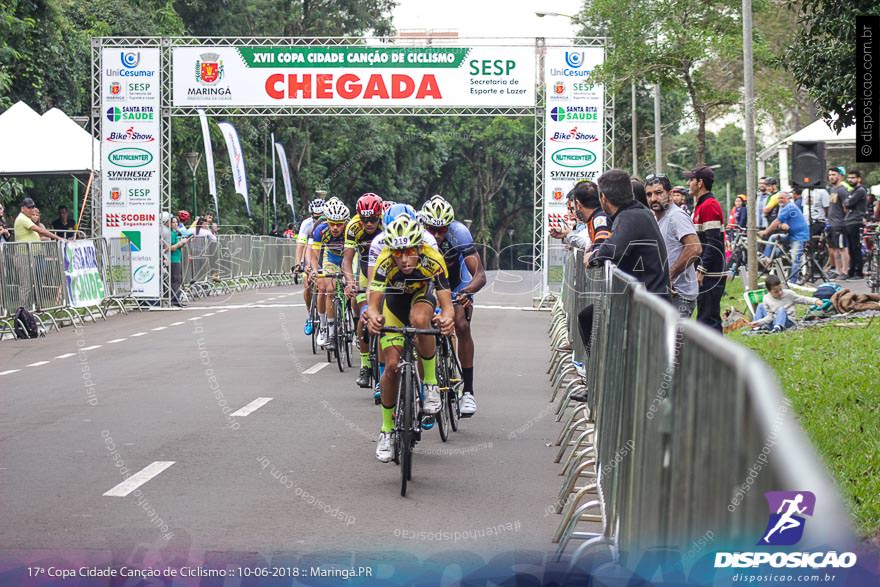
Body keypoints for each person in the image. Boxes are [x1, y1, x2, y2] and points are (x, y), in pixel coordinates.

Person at [364, 215, 455, 462]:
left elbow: (447, 305)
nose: (404, 259)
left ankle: (430, 383)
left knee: (419, 320)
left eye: (409, 252)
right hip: (393, 303)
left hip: (421, 298)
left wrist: (446, 318)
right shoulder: (385, 261)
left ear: (419, 247)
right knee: (391, 366)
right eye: (398, 253)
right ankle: (386, 429)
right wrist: (372, 316)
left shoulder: (432, 259)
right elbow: (373, 304)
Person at [420, 195, 487, 416]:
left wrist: (467, 293)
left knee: (461, 324)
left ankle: (468, 391)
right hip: (430, 282)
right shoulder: (417, 236)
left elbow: (479, 274)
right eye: (432, 229)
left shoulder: (459, 234)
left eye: (442, 229)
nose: (438, 235)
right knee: (421, 326)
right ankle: (426, 386)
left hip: (458, 282)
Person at [588, 168, 670, 296]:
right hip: (646, 299)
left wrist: (592, 257)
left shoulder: (631, 216)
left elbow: (610, 250)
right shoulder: (638, 212)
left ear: (603, 197)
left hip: (649, 304)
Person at [342, 193, 384, 388]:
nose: (369, 224)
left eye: (373, 219)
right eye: (365, 219)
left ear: (380, 216)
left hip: (386, 269)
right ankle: (366, 365)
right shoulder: (353, 226)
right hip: (364, 270)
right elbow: (347, 260)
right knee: (364, 314)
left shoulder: (387, 224)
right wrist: (350, 283)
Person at [647, 174, 702, 318]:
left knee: (674, 341)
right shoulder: (658, 218)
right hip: (666, 294)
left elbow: (694, 248)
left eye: (658, 193)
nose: (653, 198)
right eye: (649, 194)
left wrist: (669, 276)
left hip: (679, 296)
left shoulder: (676, 216)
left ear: (669, 194)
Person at [685, 165, 726, 333]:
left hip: (710, 274)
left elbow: (713, 242)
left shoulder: (709, 206)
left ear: (700, 183)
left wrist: (702, 269)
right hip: (704, 272)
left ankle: (715, 358)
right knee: (704, 317)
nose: (688, 183)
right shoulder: (701, 205)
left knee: (708, 320)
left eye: (691, 179)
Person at [307, 197, 350, 348]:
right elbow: (314, 254)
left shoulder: (350, 230)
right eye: (332, 223)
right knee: (327, 289)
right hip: (331, 257)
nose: (335, 228)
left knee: (355, 287)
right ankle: (327, 330)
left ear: (345, 222)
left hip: (347, 257)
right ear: (327, 221)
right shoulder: (320, 229)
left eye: (339, 224)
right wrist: (314, 271)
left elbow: (353, 256)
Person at [759, 191, 809, 284]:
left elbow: (777, 222)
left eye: (782, 198)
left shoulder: (789, 207)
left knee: (795, 259)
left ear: (788, 198)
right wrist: (782, 225)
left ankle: (793, 281)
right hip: (790, 234)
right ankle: (766, 258)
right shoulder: (783, 208)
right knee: (773, 238)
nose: (780, 200)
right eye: (778, 198)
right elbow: (783, 224)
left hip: (799, 236)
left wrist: (766, 232)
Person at [750, 275, 821, 333]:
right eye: (776, 291)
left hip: (788, 321)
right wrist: (759, 322)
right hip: (774, 320)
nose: (780, 292)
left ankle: (778, 328)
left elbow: (802, 299)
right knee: (760, 306)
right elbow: (769, 317)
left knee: (781, 309)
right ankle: (757, 327)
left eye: (780, 289)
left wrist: (815, 301)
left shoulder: (789, 294)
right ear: (769, 291)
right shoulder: (766, 298)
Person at [296, 196, 326, 335]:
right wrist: (299, 264)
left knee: (325, 286)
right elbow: (302, 245)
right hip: (310, 254)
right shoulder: (306, 224)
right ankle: (310, 316)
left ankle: (326, 316)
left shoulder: (328, 225)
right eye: (315, 217)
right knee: (307, 284)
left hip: (325, 255)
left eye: (321, 216)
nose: (318, 220)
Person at [825, 167, 850, 279]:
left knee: (842, 248)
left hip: (840, 224)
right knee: (834, 249)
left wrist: (844, 220)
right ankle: (838, 271)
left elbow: (847, 208)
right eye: (830, 175)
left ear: (840, 176)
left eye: (834, 174)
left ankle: (845, 271)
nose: (831, 177)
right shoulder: (832, 189)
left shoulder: (842, 190)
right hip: (831, 223)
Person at [163, 213, 191, 306]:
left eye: (176, 222)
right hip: (172, 259)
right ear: (169, 223)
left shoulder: (175, 233)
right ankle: (174, 300)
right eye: (173, 222)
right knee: (175, 279)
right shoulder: (169, 234)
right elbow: (169, 248)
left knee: (178, 279)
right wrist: (181, 243)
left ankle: (176, 299)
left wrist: (184, 242)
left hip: (177, 258)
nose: (175, 224)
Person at [844, 170, 867, 278]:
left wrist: (848, 202)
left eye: (853, 178)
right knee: (851, 249)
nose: (850, 180)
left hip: (856, 221)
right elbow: (846, 202)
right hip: (849, 221)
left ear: (859, 179)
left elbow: (849, 203)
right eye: (849, 178)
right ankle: (852, 271)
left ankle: (858, 272)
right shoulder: (853, 190)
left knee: (856, 248)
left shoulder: (860, 190)